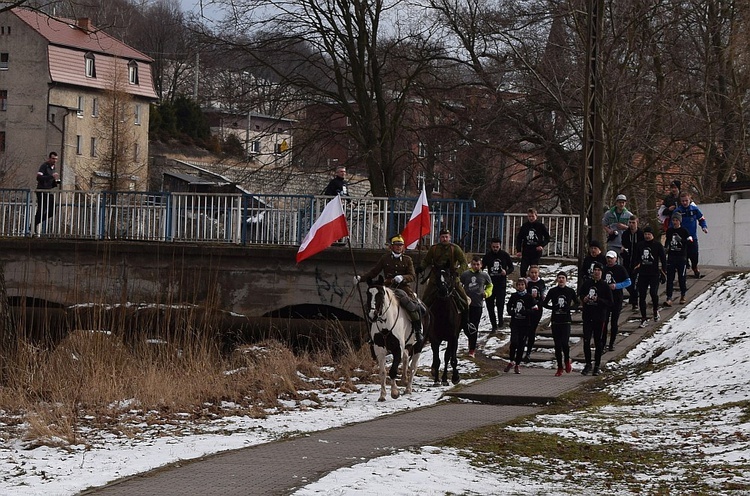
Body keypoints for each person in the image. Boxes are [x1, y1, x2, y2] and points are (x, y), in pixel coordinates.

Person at [355, 235, 424, 347]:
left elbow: (412, 276)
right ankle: (371, 334)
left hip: (403, 288)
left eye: (400, 245)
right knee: (371, 307)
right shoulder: (385, 258)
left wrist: (402, 277)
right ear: (392, 247)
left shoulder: (408, 260)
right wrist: (360, 278)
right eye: (396, 245)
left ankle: (417, 331)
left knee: (411, 306)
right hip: (388, 287)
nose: (398, 247)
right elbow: (374, 272)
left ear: (403, 247)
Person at [417, 229, 470, 332]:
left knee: (464, 300)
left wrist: (457, 272)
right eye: (442, 237)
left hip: (451, 279)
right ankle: (422, 325)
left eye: (446, 237)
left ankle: (466, 324)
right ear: (439, 238)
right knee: (424, 301)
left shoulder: (455, 249)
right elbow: (426, 260)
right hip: (435, 280)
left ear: (449, 237)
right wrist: (421, 267)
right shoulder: (434, 249)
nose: (444, 239)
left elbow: (464, 262)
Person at [577, 262, 612, 376]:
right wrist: (584, 299)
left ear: (602, 272)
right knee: (586, 340)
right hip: (588, 317)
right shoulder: (587, 283)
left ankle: (597, 365)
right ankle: (588, 363)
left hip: (599, 317)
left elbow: (610, 302)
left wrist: (599, 300)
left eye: (599, 270)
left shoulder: (605, 286)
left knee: (598, 342)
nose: (596, 272)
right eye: (595, 270)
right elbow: (581, 295)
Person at [543, 272, 579, 376]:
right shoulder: (553, 291)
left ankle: (567, 361)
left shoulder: (570, 291)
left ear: (566, 280)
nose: (561, 280)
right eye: (559, 278)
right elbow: (545, 303)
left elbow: (577, 303)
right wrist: (552, 308)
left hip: (566, 320)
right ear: (557, 279)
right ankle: (559, 367)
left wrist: (570, 308)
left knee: (565, 344)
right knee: (557, 345)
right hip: (555, 321)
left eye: (563, 278)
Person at [633, 226, 667, 328]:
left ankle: (655, 310)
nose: (647, 236)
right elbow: (636, 258)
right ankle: (643, 317)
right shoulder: (640, 245)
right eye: (645, 234)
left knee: (653, 293)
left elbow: (663, 259)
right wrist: (636, 268)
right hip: (643, 274)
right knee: (642, 296)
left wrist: (663, 272)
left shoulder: (657, 245)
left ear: (652, 235)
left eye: (649, 234)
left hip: (654, 273)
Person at [459, 256, 493, 358]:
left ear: (481, 265)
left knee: (474, 327)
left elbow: (490, 286)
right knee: (465, 325)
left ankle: (472, 350)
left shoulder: (484, 275)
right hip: (466, 304)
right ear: (471, 264)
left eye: (478, 264)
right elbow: (459, 284)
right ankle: (470, 340)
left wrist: (486, 293)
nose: (476, 266)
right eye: (474, 264)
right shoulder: (465, 275)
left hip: (477, 305)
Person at [482, 237, 514, 332]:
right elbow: (481, 267)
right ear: (491, 246)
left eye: (497, 247)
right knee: (490, 306)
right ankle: (493, 325)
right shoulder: (487, 256)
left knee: (500, 304)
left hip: (501, 284)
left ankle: (500, 320)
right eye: (493, 247)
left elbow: (511, 267)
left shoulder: (504, 255)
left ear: (500, 246)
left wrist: (506, 272)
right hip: (489, 284)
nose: (495, 248)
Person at [505, 278, 536, 374]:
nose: (520, 286)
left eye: (522, 284)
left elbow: (534, 310)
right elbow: (509, 306)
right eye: (518, 285)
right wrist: (511, 312)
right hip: (515, 323)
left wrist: (525, 312)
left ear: (525, 286)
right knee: (514, 342)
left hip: (525, 324)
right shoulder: (514, 296)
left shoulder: (529, 297)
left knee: (521, 345)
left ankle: (517, 364)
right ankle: (511, 361)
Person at [602, 251, 631, 352]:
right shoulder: (604, 269)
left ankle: (611, 343)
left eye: (611, 258)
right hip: (605, 299)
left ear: (615, 259)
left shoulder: (620, 269)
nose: (609, 260)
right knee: (604, 322)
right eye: (608, 258)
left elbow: (628, 282)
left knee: (614, 322)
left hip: (616, 298)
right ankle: (603, 343)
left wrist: (617, 286)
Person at [675, 191, 708, 278]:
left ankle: (695, 267)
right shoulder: (678, 211)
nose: (684, 203)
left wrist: (704, 227)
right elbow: (673, 223)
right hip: (681, 238)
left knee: (694, 255)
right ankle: (683, 271)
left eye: (686, 200)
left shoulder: (694, 209)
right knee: (683, 256)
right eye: (683, 201)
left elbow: (701, 219)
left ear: (690, 200)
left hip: (693, 237)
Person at [663, 211, 690, 306]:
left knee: (681, 277)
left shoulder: (684, 231)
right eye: (673, 220)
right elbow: (667, 241)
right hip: (671, 257)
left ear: (680, 221)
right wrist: (665, 248)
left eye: (676, 220)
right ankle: (669, 297)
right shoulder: (669, 231)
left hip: (681, 257)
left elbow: (689, 241)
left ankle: (683, 294)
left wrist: (681, 240)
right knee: (670, 278)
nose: (674, 222)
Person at [514, 208, 550, 277]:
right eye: (529, 216)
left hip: (536, 252)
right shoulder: (524, 226)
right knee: (523, 269)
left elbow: (547, 238)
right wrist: (518, 250)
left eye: (532, 216)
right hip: (526, 252)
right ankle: (523, 284)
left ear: (536, 216)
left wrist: (542, 246)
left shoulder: (540, 226)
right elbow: (519, 238)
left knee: (533, 270)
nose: (531, 218)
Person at [620, 215, 644, 312]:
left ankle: (635, 303)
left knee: (635, 283)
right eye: (630, 223)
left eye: (633, 223)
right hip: (627, 261)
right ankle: (633, 297)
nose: (631, 225)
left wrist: (640, 261)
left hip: (637, 261)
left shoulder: (641, 234)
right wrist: (623, 251)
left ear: (637, 222)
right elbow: (623, 245)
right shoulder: (625, 234)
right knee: (627, 282)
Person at [34, 151, 60, 236]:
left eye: (56, 159)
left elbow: (50, 181)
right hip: (41, 191)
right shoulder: (44, 166)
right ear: (49, 158)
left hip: (49, 191)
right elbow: (39, 177)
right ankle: (33, 225)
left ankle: (34, 223)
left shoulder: (53, 168)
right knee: (41, 209)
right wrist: (51, 177)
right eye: (53, 159)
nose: (54, 160)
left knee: (52, 211)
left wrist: (56, 182)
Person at [523, 265, 546, 363]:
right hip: (528, 309)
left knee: (532, 330)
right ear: (529, 273)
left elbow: (543, 293)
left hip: (538, 309)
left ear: (538, 273)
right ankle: (522, 350)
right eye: (532, 272)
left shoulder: (541, 282)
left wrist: (542, 298)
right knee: (526, 330)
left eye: (536, 273)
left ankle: (528, 352)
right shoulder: (526, 282)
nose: (534, 275)